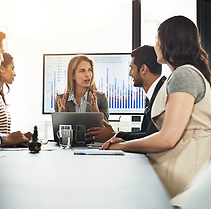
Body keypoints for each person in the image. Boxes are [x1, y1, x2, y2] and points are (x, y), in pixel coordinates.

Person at [101, 15, 211, 199]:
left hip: (184, 176)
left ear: (167, 42)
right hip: (188, 172)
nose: (155, 44)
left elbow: (167, 138)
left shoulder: (184, 75)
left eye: (157, 39)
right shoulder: (184, 73)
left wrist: (123, 146)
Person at [86, 45, 166, 143]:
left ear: (143, 69)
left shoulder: (162, 94)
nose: (129, 73)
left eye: (132, 68)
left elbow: (150, 137)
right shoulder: (155, 92)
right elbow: (145, 132)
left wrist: (113, 135)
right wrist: (115, 135)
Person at [54, 55, 109, 121]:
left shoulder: (101, 98)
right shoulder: (61, 100)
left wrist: (95, 111)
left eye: (89, 70)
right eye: (82, 71)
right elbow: (59, 130)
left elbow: (105, 128)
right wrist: (61, 113)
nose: (87, 74)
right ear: (73, 75)